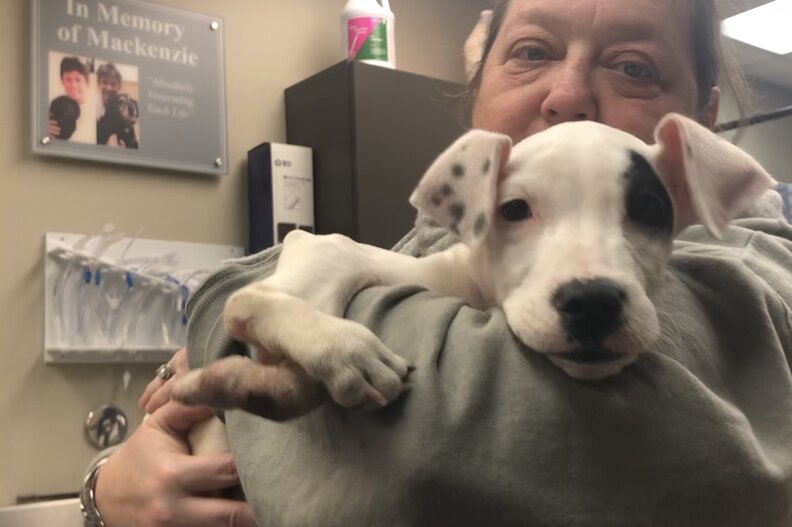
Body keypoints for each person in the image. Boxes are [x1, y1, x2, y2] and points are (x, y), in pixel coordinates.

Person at [85, 0, 792, 525]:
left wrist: (229, 306)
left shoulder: (752, 268)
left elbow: (426, 451)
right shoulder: (425, 249)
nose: (569, 97)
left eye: (634, 66)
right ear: (477, 78)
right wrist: (106, 489)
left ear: (702, 115)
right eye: (531, 50)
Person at [48, 56, 96, 144]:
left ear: (87, 82)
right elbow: (43, 142)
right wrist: (45, 136)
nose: (73, 85)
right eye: (68, 80)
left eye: (78, 80)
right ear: (62, 81)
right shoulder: (55, 107)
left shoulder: (96, 112)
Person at [96, 62, 140, 148]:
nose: (108, 88)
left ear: (119, 86)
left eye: (113, 84)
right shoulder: (92, 109)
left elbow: (133, 144)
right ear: (98, 83)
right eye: (105, 82)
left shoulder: (123, 109)